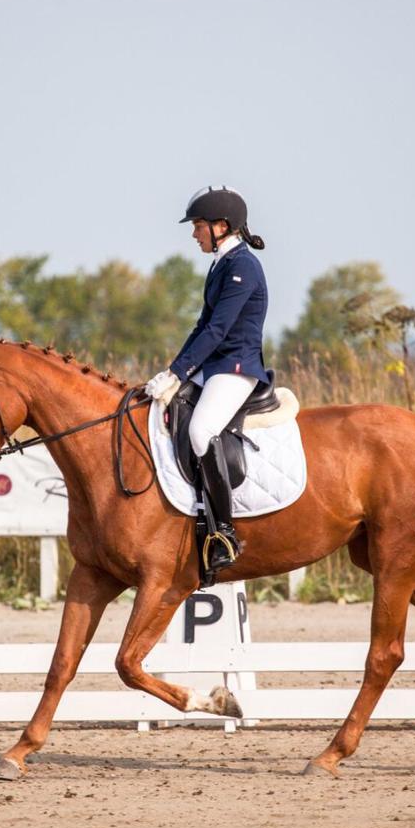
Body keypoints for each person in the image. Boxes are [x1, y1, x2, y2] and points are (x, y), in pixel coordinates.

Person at [145, 186, 270, 577]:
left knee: (201, 431)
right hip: (214, 366)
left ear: (222, 226)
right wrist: (172, 370)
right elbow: (202, 326)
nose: (194, 233)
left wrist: (180, 372)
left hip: (236, 367)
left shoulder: (242, 266)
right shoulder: (220, 263)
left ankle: (224, 533)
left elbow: (218, 330)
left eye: (198, 226)